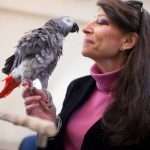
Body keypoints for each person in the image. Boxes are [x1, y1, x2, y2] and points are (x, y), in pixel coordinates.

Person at [22, 0, 150, 149]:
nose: (86, 28)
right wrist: (50, 125)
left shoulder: (144, 104)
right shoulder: (78, 86)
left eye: (102, 22)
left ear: (128, 41)